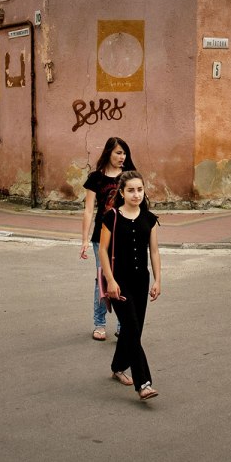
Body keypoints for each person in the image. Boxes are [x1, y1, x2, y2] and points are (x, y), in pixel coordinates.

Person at [98, 170, 162, 401]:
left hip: (140, 280)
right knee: (133, 329)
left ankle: (117, 366)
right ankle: (143, 383)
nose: (136, 195)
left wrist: (158, 280)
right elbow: (103, 251)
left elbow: (154, 252)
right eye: (131, 190)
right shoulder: (111, 217)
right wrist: (110, 280)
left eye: (140, 190)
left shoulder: (150, 219)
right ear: (122, 193)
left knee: (134, 329)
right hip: (119, 281)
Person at [80, 137, 136, 341]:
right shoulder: (96, 178)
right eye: (118, 153)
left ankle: (123, 325)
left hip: (125, 236)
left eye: (124, 153)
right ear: (108, 153)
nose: (122, 157)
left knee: (123, 279)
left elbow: (138, 205)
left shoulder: (129, 177)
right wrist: (84, 240)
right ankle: (99, 324)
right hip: (100, 237)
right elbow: (88, 210)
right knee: (102, 279)